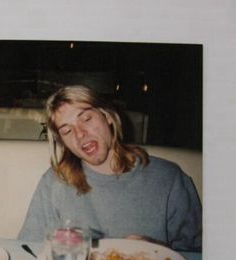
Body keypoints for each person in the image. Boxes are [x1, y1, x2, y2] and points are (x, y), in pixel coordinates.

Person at [18, 85, 202, 251]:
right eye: (67, 131)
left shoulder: (168, 179)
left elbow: (200, 257)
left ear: (107, 116)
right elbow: (29, 249)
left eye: (86, 118)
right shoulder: (55, 182)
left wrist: (158, 249)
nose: (80, 134)